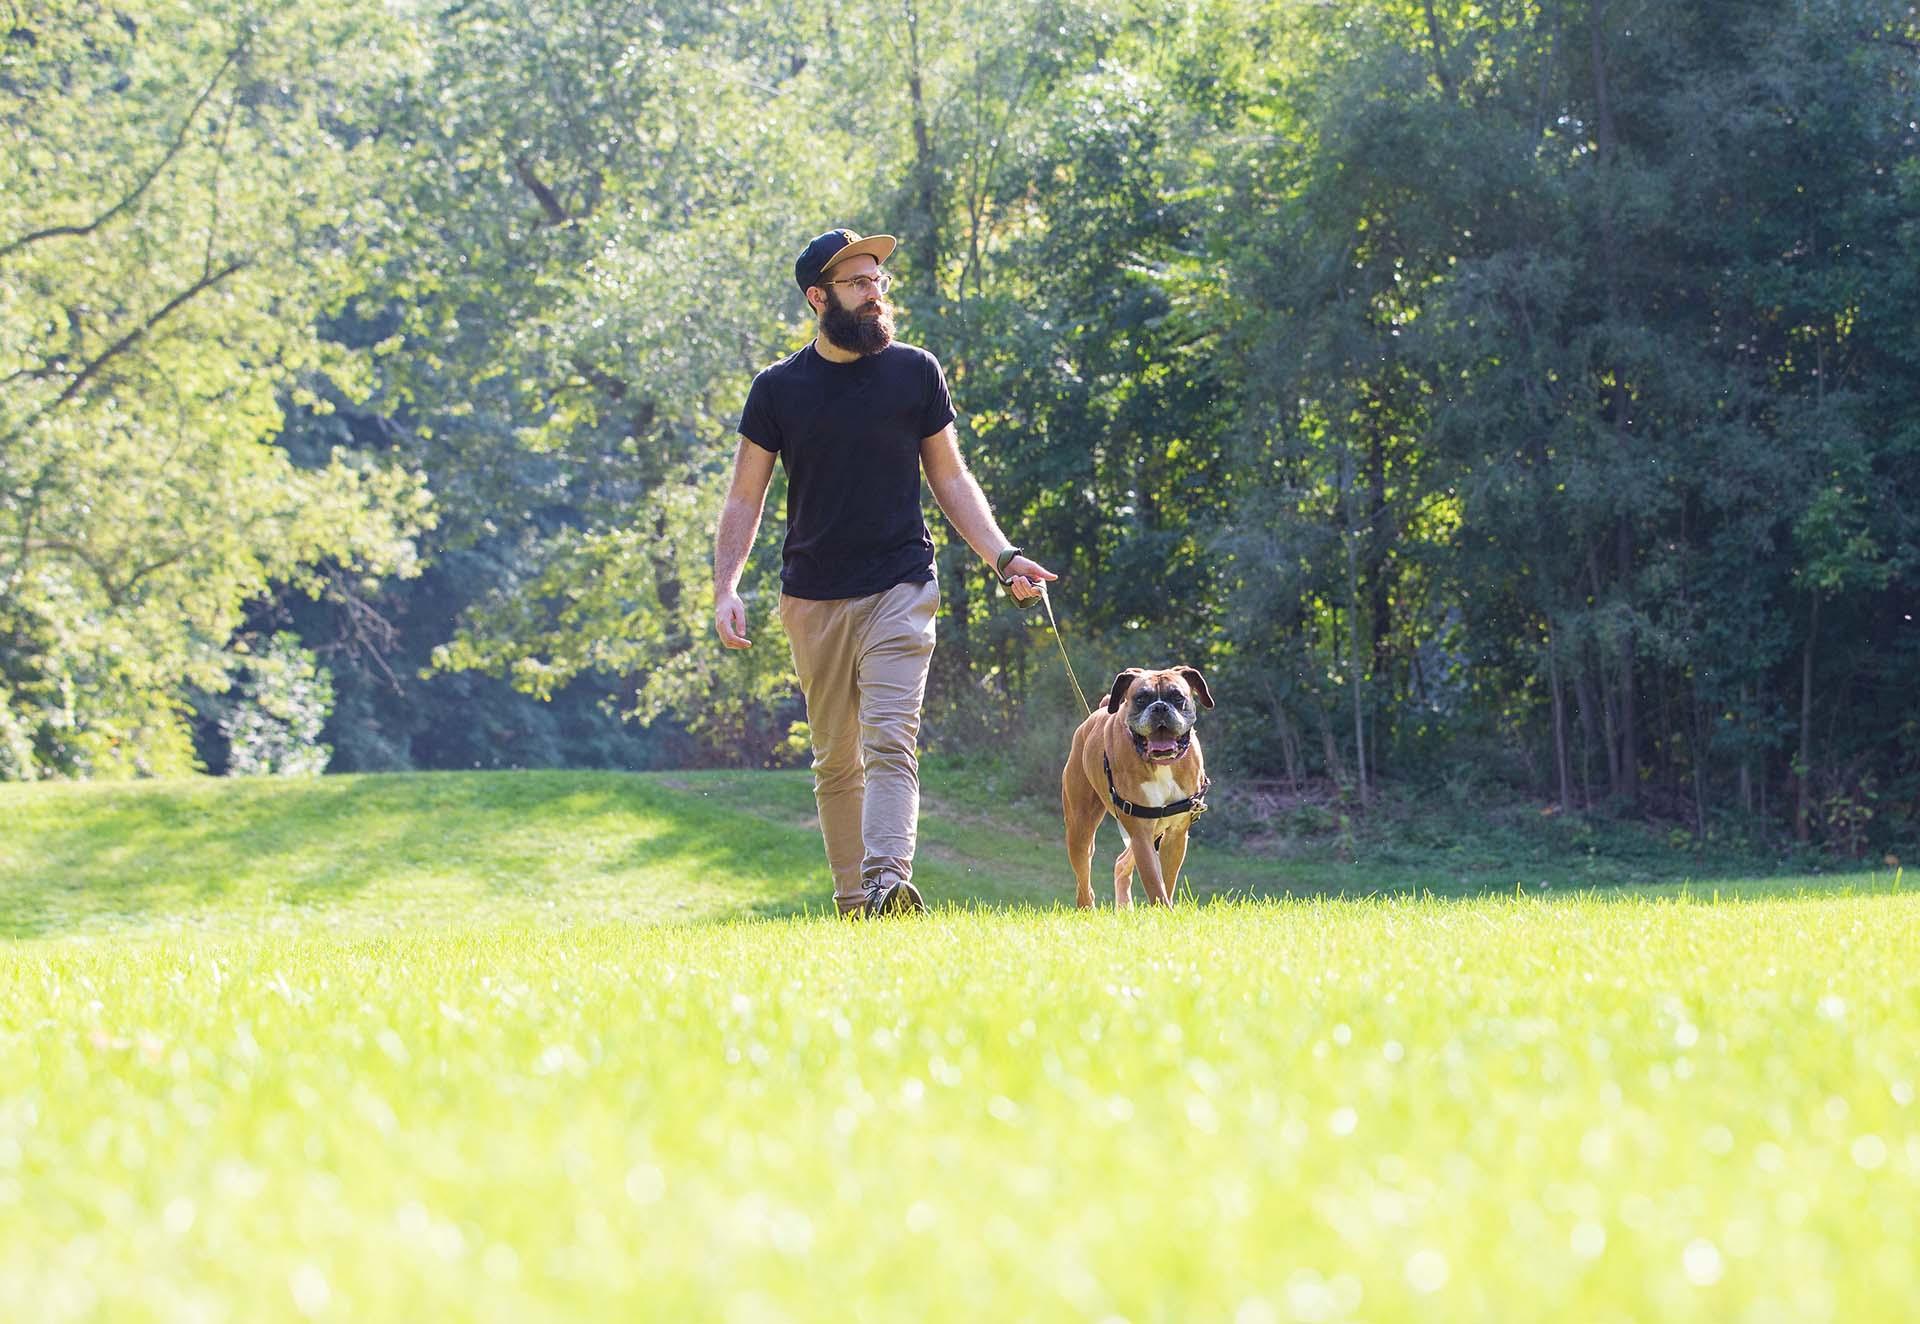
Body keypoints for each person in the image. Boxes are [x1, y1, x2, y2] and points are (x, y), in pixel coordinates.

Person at [713, 227, 1055, 917]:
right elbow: (745, 495)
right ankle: (854, 903)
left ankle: (886, 879)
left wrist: (1003, 555)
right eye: (859, 283)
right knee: (838, 760)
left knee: (891, 739)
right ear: (819, 297)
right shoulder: (778, 390)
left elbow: (950, 478)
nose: (877, 295)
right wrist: (725, 586)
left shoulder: (914, 372)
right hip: (812, 596)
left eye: (879, 282)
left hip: (902, 582)